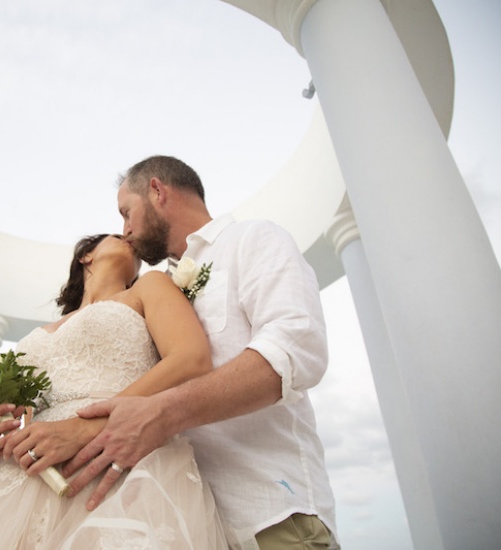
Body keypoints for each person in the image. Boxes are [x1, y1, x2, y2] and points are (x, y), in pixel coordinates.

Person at [54, 155, 340, 548]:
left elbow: (297, 346)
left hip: (266, 517)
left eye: (126, 212)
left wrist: (163, 413)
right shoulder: (155, 291)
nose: (125, 230)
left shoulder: (253, 239)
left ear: (156, 190)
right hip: (173, 523)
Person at [0, 233, 253, 549]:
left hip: (116, 462)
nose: (130, 238)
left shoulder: (148, 287)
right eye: (118, 236)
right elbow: (19, 413)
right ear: (86, 256)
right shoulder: (41, 331)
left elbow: (191, 359)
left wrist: (91, 424)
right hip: (25, 483)